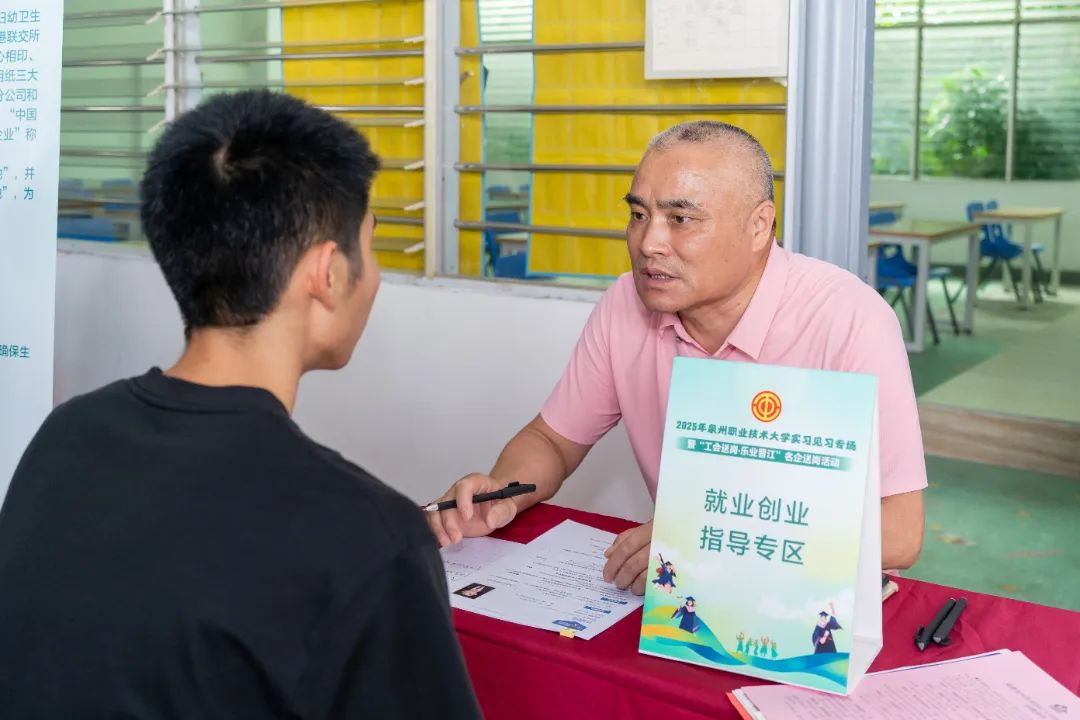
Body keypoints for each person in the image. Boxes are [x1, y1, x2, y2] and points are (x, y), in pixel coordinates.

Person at [0, 90, 480, 719]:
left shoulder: (66, 436)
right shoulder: (368, 537)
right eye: (370, 244)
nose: (376, 276)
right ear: (327, 273)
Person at [427, 120, 926, 595]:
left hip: (810, 600)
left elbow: (900, 533)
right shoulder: (626, 303)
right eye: (638, 215)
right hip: (680, 598)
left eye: (680, 219)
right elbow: (553, 441)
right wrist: (501, 493)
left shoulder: (848, 318)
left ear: (759, 226)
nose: (648, 243)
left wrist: (704, 541)